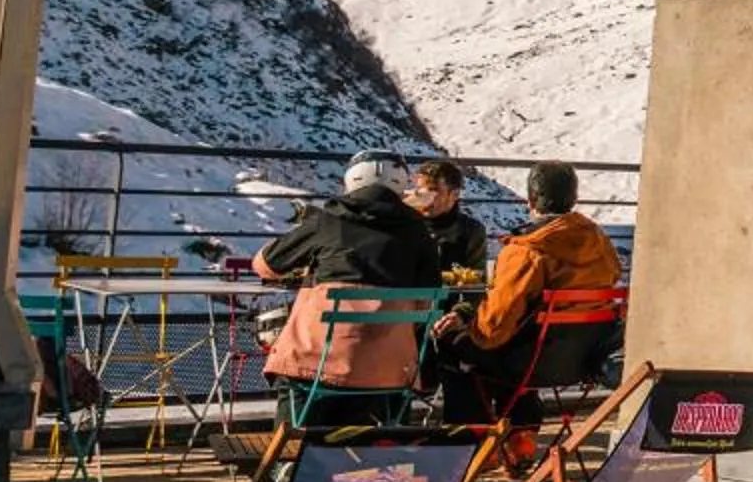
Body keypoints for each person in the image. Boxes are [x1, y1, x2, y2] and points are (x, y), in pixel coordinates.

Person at [426, 162, 620, 426]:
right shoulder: (600, 243)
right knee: (514, 341)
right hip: (584, 358)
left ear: (530, 199)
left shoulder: (526, 251)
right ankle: (521, 436)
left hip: (533, 361)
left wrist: (465, 321)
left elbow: (492, 328)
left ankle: (472, 439)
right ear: (574, 199)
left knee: (457, 345)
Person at [256, 151, 444, 422]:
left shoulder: (327, 221)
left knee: (295, 370)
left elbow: (265, 265)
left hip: (316, 367)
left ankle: (288, 459)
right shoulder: (419, 233)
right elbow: (427, 303)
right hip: (390, 373)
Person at [409, 159, 487, 276]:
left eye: (434, 190)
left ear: (454, 195)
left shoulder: (470, 231)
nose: (425, 197)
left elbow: (475, 284)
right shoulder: (405, 224)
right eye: (420, 190)